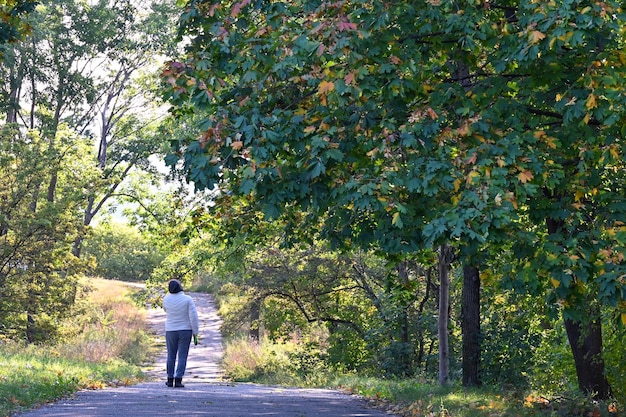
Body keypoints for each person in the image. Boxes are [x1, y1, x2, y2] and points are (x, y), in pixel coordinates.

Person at [162, 279, 199, 388]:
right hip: (185, 330)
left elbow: (165, 310)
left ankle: (169, 379)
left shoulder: (166, 299)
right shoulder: (187, 299)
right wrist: (195, 332)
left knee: (171, 355)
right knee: (182, 356)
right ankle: (178, 380)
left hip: (170, 330)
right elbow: (193, 317)